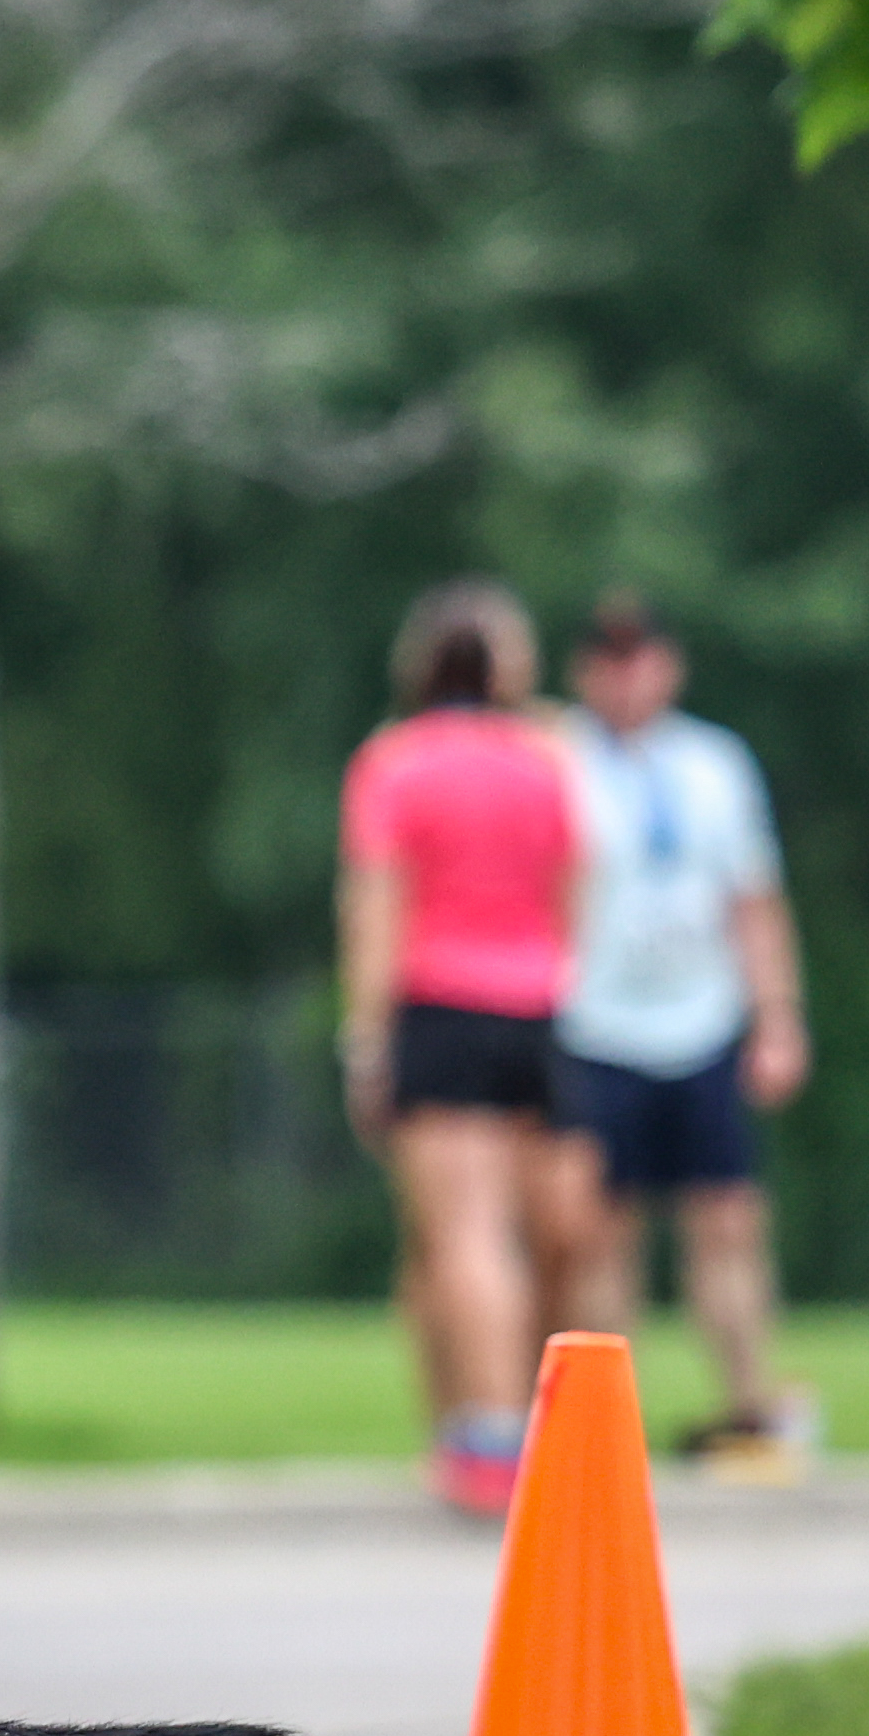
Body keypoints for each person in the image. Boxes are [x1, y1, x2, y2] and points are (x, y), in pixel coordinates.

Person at [543, 593, 815, 1470]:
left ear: (670, 665)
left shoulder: (713, 764)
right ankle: (600, 1425)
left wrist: (776, 1017)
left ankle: (748, 1403)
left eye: (642, 657)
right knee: (601, 1227)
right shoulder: (559, 760)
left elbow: (753, 899)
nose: (627, 678)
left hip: (699, 1017)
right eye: (609, 660)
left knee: (727, 1217)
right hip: (594, 1019)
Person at [339, 576, 578, 1515]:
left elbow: (376, 905)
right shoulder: (548, 759)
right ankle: (488, 1426)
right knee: (523, 1234)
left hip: (440, 1004)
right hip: (538, 1006)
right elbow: (576, 884)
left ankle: (490, 1434)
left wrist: (365, 1039)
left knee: (466, 1235)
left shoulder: (396, 763)